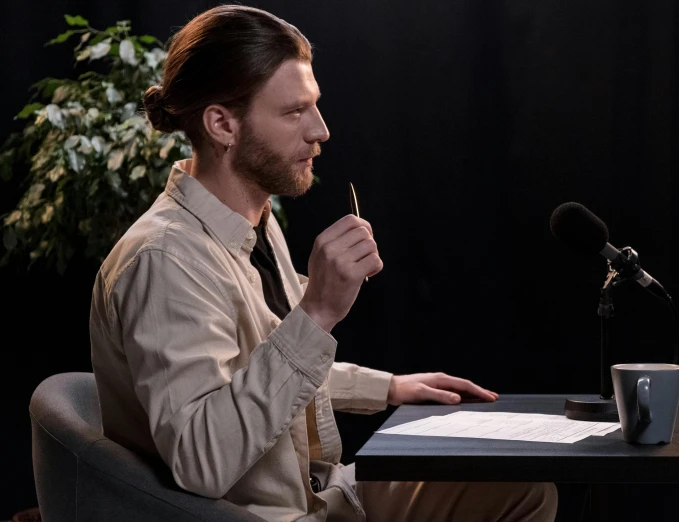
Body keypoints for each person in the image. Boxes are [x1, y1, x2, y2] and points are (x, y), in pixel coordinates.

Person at [88, 5, 557, 522]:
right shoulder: (166, 261)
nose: (321, 130)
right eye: (294, 112)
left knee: (525, 488)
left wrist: (388, 388)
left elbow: (254, 373)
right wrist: (316, 314)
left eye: (315, 106)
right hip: (272, 516)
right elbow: (203, 459)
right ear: (222, 123)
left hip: (322, 494)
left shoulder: (253, 226)